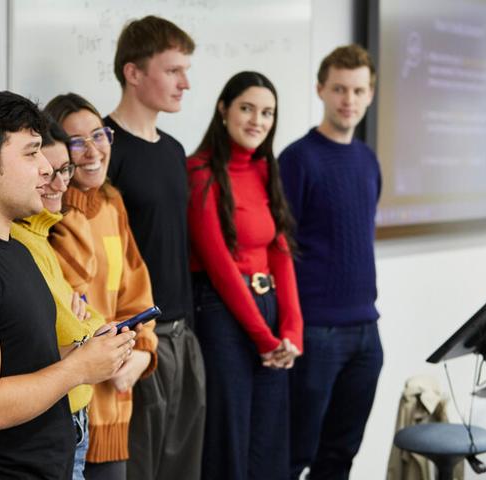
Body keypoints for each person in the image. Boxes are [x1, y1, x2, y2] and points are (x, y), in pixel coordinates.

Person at [0, 89, 135, 479]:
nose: (46, 169)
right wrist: (79, 369)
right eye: (31, 153)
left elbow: (26, 358)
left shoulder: (15, 249)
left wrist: (88, 349)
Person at [187, 71, 303, 480]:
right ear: (224, 110)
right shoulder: (199, 172)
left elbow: (281, 253)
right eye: (247, 109)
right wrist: (265, 338)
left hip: (268, 314)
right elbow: (218, 267)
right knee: (228, 446)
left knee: (270, 447)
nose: (258, 120)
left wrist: (291, 332)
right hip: (223, 317)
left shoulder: (262, 169)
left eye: (268, 112)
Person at [104, 15, 206, 480]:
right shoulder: (101, 152)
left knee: (182, 469)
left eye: (186, 71)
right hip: (136, 339)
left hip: (184, 333)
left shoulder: (173, 150)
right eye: (173, 71)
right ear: (133, 72)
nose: (185, 83)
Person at [278, 44, 384, 479]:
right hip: (316, 330)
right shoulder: (298, 159)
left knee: (340, 456)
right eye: (340, 89)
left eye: (359, 90)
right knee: (296, 453)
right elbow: (282, 245)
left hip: (365, 330)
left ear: (370, 94)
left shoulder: (367, 160)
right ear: (321, 89)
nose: (349, 100)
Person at [45, 93, 159, 479]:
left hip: (114, 402)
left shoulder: (112, 205)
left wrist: (143, 350)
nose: (93, 150)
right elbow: (71, 296)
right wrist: (68, 205)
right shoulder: (45, 216)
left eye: (100, 135)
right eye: (76, 141)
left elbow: (134, 291)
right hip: (66, 408)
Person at [10, 119, 107, 480]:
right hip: (54, 417)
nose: (60, 183)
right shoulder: (20, 240)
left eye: (64, 170)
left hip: (72, 415)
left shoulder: (42, 233)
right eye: (47, 171)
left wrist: (85, 322)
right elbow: (73, 334)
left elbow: (91, 318)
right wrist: (86, 325)